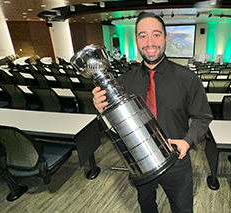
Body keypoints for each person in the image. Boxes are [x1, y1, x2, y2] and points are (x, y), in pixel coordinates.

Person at [92, 12, 218, 213]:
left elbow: (203, 117)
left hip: (177, 159)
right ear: (137, 41)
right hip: (140, 161)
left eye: (156, 35)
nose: (150, 42)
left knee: (182, 209)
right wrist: (103, 111)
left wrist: (187, 142)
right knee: (147, 206)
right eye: (143, 35)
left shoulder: (188, 79)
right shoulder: (123, 83)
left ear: (166, 39)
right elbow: (115, 129)